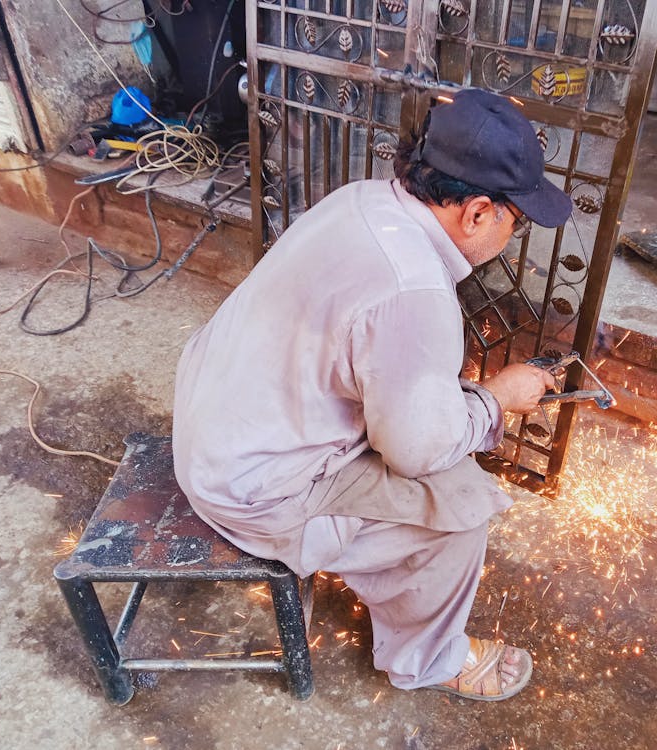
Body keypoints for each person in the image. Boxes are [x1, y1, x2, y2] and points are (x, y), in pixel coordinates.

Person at [172, 88, 573, 701]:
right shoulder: (414, 292)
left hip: (211, 425)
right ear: (478, 212)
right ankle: (429, 660)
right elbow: (415, 452)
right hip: (250, 488)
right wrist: (495, 399)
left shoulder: (360, 200)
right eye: (514, 223)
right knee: (461, 506)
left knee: (433, 435)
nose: (510, 238)